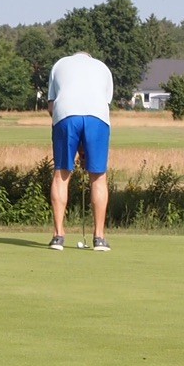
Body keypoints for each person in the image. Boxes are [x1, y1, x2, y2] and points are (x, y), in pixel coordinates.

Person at [47, 48, 114, 251]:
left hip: (65, 115)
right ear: (89, 57)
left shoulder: (59, 64)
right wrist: (85, 148)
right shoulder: (102, 68)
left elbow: (51, 107)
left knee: (61, 174)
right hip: (97, 117)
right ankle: (99, 238)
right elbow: (104, 102)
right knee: (98, 176)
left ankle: (58, 236)